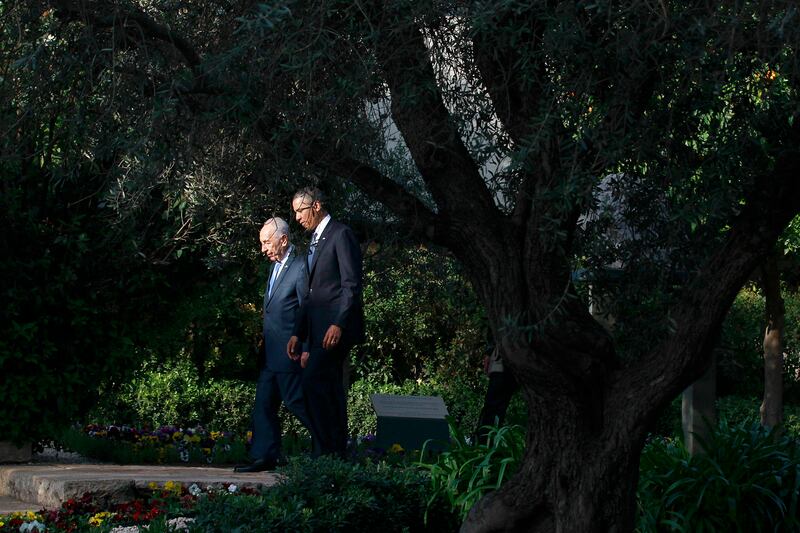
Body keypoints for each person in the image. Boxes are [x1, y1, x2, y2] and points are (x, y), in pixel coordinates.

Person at [287, 187, 364, 458]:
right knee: (329, 390)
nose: (296, 217)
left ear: (316, 205)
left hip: (335, 331)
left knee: (312, 382)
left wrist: (339, 323)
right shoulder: (315, 241)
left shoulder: (340, 234)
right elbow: (310, 294)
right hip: (317, 332)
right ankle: (333, 453)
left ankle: (329, 451)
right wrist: (299, 333)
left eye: (300, 210)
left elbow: (351, 284)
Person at [235, 217, 312, 472]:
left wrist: (305, 345)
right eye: (262, 243)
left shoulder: (300, 266)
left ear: (284, 239)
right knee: (264, 404)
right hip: (270, 353)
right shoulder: (274, 266)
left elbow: (307, 309)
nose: (263, 248)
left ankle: (331, 446)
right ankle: (264, 456)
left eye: (267, 242)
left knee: (297, 403)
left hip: (290, 352)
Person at [475, 342, 519, 444]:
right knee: (498, 411)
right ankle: (492, 442)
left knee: (491, 410)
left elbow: (493, 337)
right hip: (514, 366)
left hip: (501, 366)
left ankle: (485, 444)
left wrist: (488, 356)